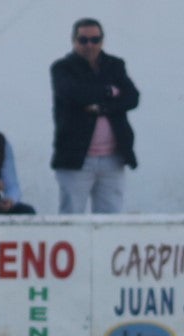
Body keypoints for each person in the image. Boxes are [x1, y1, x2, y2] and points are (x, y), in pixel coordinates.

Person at [50, 17, 139, 214]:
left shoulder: (115, 65)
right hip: (77, 157)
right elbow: (74, 93)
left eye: (95, 40)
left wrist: (102, 108)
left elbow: (132, 97)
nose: (89, 45)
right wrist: (110, 92)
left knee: (111, 218)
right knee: (71, 217)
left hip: (113, 157)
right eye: (83, 40)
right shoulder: (62, 68)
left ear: (102, 41)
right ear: (74, 41)